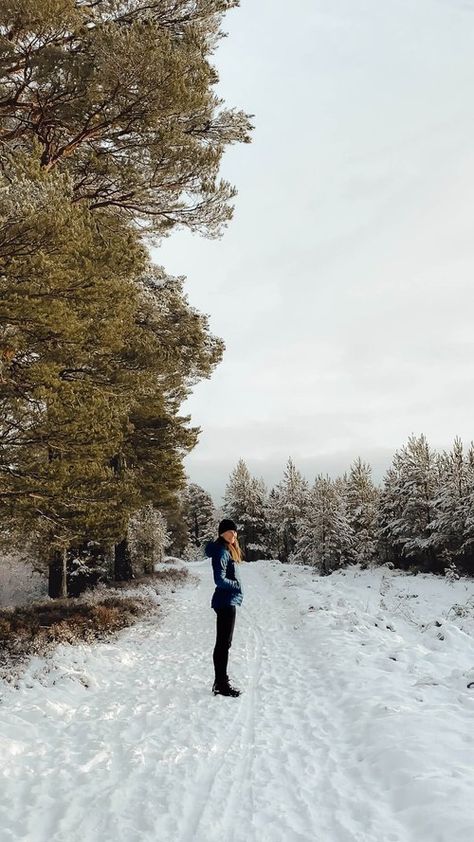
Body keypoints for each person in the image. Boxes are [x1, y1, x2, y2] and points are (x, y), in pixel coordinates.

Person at [205, 518, 243, 697]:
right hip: (225, 601)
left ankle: (220, 682)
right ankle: (221, 684)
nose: (233, 535)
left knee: (224, 643)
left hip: (226, 601)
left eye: (235, 532)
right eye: (230, 532)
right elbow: (219, 580)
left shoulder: (226, 550)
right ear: (222, 533)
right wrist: (236, 585)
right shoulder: (221, 551)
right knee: (223, 644)